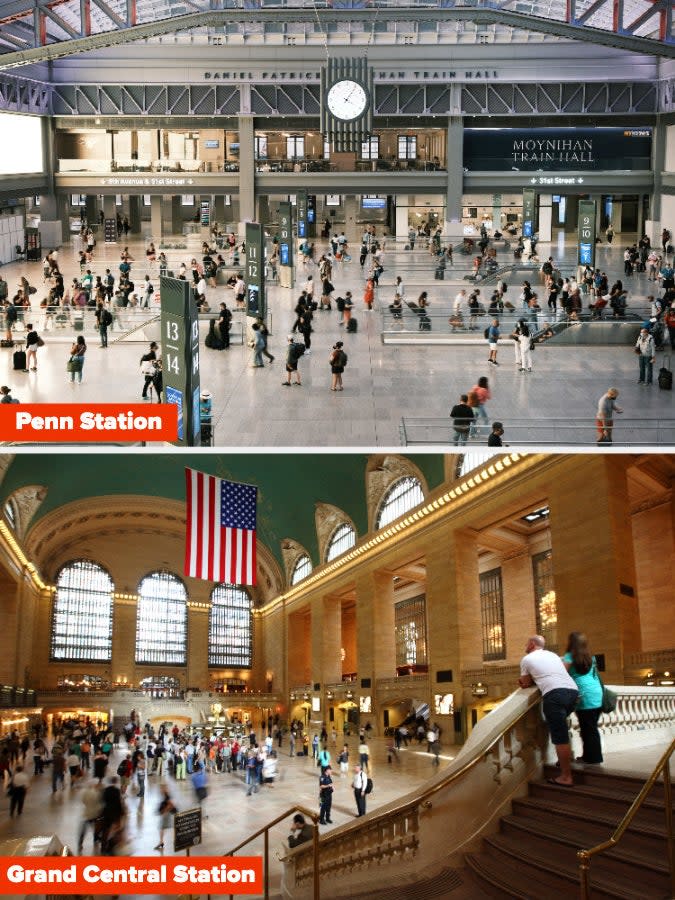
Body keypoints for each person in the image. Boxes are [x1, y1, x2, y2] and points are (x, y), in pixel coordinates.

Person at [518, 634, 579, 786]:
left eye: (527, 643)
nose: (525, 646)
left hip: (555, 694)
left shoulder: (527, 659)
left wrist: (526, 679)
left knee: (560, 737)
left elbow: (525, 683)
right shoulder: (553, 655)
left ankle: (566, 776)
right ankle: (565, 759)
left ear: (532, 644)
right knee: (562, 727)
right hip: (573, 693)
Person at [562, 631, 604, 765]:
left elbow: (560, 672)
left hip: (584, 695)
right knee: (590, 727)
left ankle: (593, 758)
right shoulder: (590, 657)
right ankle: (589, 756)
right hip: (597, 693)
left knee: (588, 729)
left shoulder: (569, 657)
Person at [155, 786, 176, 851]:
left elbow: (171, 804)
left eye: (162, 789)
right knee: (164, 827)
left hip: (167, 815)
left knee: (162, 827)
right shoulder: (165, 796)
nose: (161, 790)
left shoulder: (167, 796)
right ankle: (162, 842)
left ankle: (161, 842)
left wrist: (164, 811)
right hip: (168, 814)